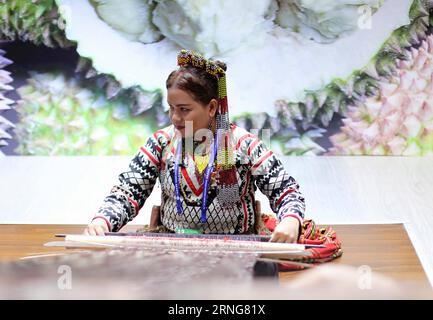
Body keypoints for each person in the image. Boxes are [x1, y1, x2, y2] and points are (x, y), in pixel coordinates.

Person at [84, 49, 306, 243]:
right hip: (172, 248)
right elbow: (129, 190)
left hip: (236, 249)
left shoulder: (244, 145)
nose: (174, 117)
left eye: (184, 109)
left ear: (211, 108)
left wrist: (290, 220)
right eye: (171, 108)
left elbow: (287, 192)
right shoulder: (161, 143)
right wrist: (103, 220)